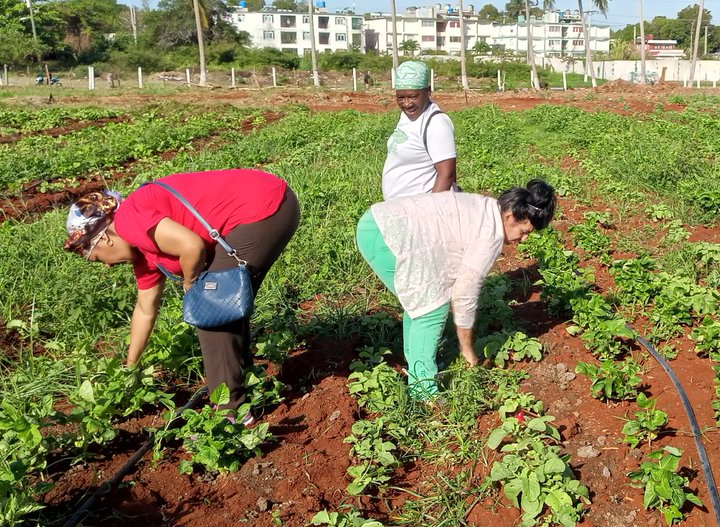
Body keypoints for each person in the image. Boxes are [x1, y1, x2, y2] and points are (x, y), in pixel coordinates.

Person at [64, 169, 301, 420]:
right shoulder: (146, 252)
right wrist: (130, 366)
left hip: (262, 207)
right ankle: (248, 389)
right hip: (270, 205)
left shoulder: (127, 220)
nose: (109, 265)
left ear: (103, 239)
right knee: (225, 305)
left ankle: (230, 416)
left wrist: (191, 284)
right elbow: (145, 309)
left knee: (210, 308)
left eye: (99, 259)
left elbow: (192, 246)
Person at [355, 179, 556, 399]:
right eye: (524, 231)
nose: (524, 239)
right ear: (510, 217)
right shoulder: (490, 234)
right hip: (386, 235)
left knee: (421, 301)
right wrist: (468, 349)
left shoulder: (488, 208)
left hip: (377, 223)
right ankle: (424, 391)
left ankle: (418, 366)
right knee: (431, 307)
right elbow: (465, 293)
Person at [383, 60, 457, 199]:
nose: (406, 103)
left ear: (428, 92)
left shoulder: (436, 124)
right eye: (400, 97)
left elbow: (447, 175)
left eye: (413, 97)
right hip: (400, 208)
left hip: (419, 212)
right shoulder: (408, 116)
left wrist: (429, 211)